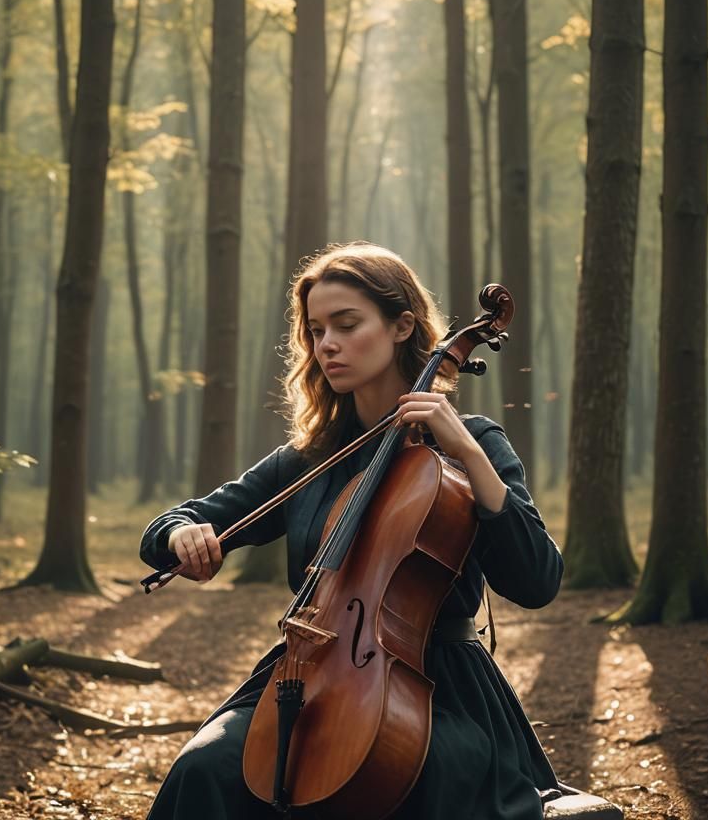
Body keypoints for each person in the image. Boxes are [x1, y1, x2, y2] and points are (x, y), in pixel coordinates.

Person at [139, 242, 565, 819]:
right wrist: (178, 535)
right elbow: (174, 525)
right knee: (205, 767)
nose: (327, 345)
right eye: (315, 331)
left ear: (401, 326)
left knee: (427, 775)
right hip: (306, 675)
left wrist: (466, 452)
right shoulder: (308, 458)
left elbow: (537, 581)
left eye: (346, 324)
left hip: (440, 684)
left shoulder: (474, 444)